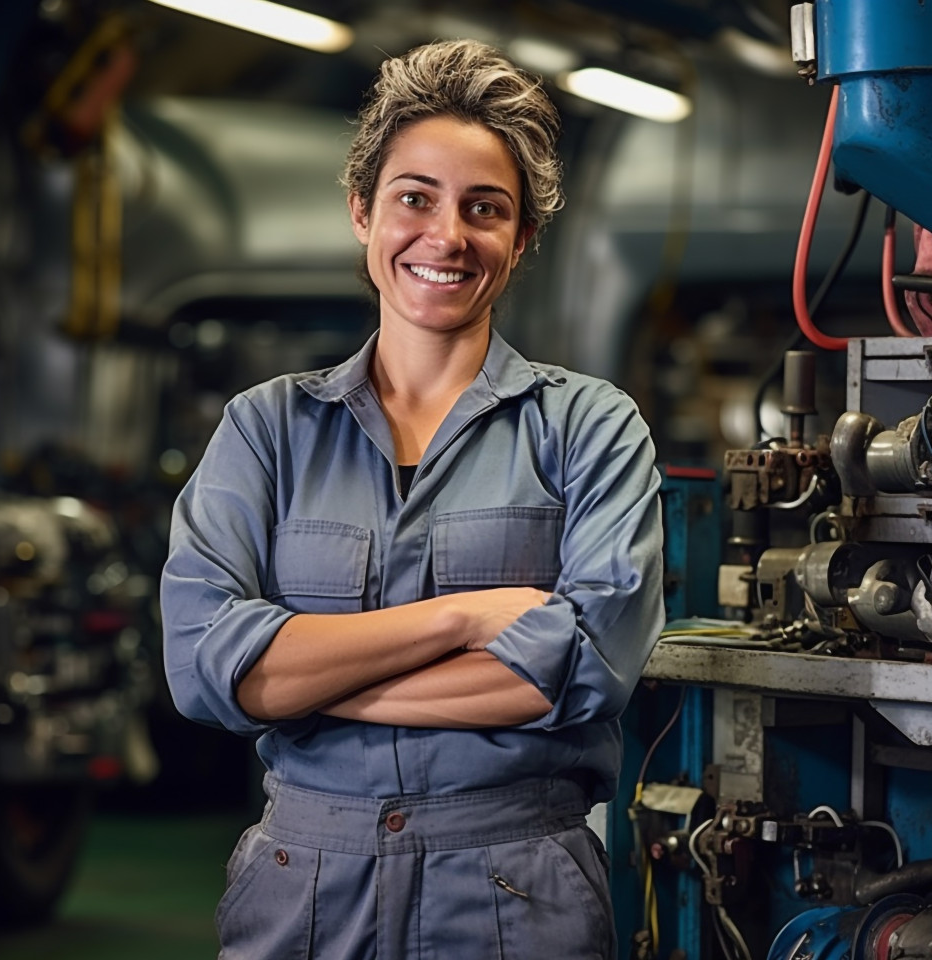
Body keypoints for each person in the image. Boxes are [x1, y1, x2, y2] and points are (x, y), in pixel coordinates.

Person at [160, 38, 664, 960]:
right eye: (414, 198)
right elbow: (205, 669)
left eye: (486, 209)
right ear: (362, 211)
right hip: (301, 888)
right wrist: (468, 618)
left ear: (522, 239)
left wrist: (300, 686)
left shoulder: (590, 427)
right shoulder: (265, 430)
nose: (447, 236)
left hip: (515, 890)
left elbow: (588, 670)